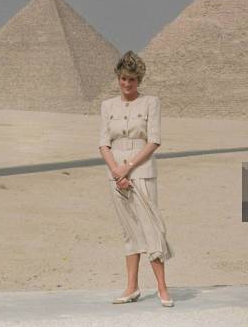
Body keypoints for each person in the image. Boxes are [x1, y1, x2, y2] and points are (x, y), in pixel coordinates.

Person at [98, 50, 175, 307]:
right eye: (122, 79)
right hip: (114, 171)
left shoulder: (150, 102)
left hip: (141, 170)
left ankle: (162, 288)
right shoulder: (107, 106)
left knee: (151, 227)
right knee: (129, 232)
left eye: (131, 79)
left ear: (139, 80)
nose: (126, 84)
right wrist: (116, 171)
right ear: (118, 78)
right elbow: (103, 143)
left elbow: (154, 140)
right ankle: (131, 287)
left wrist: (128, 167)